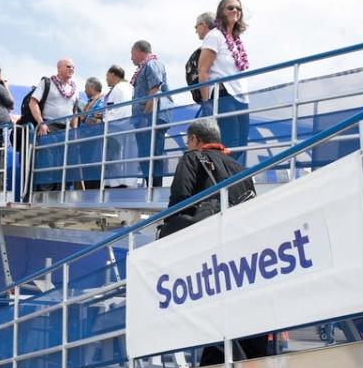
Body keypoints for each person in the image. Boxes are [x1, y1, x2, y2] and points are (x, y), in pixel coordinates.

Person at [160, 118, 255, 238]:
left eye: (187, 142)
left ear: (194, 139)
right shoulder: (240, 169)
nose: (188, 146)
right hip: (235, 234)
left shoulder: (191, 158)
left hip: (205, 235)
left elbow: (180, 196)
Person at [199, 0, 250, 165]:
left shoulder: (237, 40)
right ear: (222, 11)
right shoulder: (215, 36)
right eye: (231, 7)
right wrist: (206, 102)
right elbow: (203, 70)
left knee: (241, 144)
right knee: (231, 140)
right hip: (222, 93)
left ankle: (224, 173)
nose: (235, 10)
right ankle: (222, 179)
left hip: (241, 95)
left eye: (238, 8)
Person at [29, 58, 80, 190]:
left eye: (73, 67)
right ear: (59, 68)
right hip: (49, 125)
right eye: (68, 66)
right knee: (48, 162)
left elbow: (75, 112)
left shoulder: (75, 88)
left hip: (67, 129)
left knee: (63, 162)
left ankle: (59, 191)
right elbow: (33, 103)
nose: (72, 69)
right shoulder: (47, 83)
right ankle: (45, 192)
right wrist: (41, 123)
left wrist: (74, 131)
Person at [130, 40, 173, 187]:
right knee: (145, 155)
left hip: (151, 118)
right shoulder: (146, 66)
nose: (131, 57)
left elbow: (154, 90)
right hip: (147, 118)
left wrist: (145, 117)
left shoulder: (152, 64)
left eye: (132, 53)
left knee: (152, 154)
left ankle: (154, 188)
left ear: (139, 51)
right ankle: (150, 187)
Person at [103, 65, 134, 187]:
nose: (106, 79)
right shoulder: (130, 87)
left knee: (114, 158)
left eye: (107, 76)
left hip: (115, 127)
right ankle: (126, 182)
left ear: (113, 74)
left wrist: (102, 119)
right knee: (127, 156)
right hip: (130, 125)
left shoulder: (117, 89)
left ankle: (114, 183)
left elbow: (112, 110)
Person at [78, 77, 106, 189]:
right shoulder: (89, 102)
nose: (84, 91)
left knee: (94, 168)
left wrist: (86, 121)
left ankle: (94, 192)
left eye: (86, 87)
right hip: (86, 141)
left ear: (91, 87)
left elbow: (96, 119)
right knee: (86, 169)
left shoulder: (101, 100)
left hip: (95, 141)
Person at [185, 12, 215, 101]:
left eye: (196, 27)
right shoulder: (225, 40)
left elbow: (203, 72)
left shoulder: (211, 40)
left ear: (203, 25)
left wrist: (205, 101)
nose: (196, 31)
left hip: (215, 96)